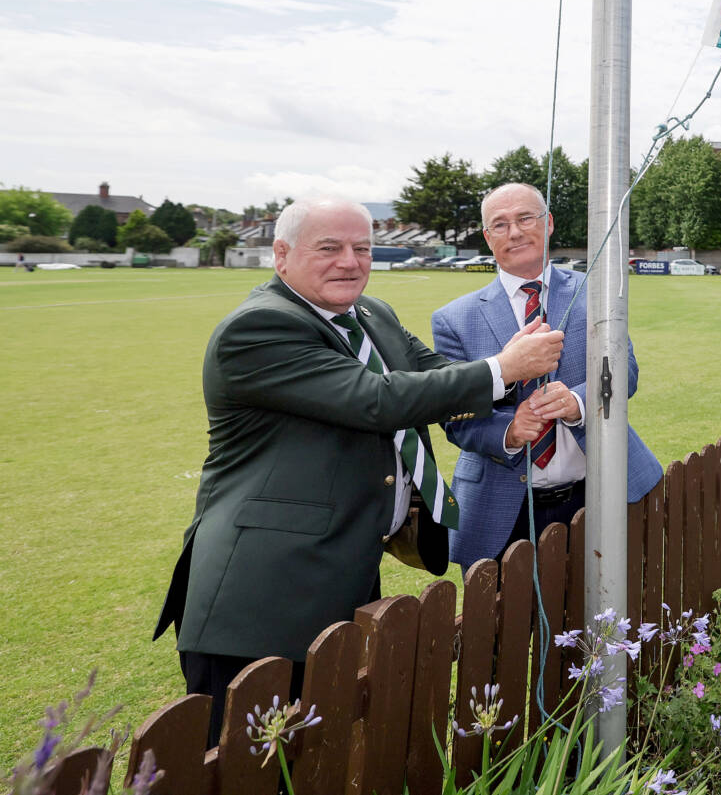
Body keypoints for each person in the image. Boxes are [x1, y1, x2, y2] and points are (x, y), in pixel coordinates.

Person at [154, 197, 567, 742]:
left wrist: (505, 374)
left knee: (315, 750)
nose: (349, 261)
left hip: (340, 571)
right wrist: (501, 369)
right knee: (242, 760)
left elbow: (435, 375)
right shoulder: (259, 328)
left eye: (362, 248)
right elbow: (378, 400)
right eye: (328, 248)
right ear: (281, 255)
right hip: (260, 596)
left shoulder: (372, 314)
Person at [433, 182, 663, 570]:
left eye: (526, 218)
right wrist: (506, 430)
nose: (516, 232)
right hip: (501, 510)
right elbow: (454, 416)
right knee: (501, 628)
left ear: (549, 222)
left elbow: (626, 371)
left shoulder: (597, 292)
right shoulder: (454, 319)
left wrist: (578, 402)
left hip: (597, 492)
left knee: (601, 618)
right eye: (500, 224)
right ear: (488, 237)